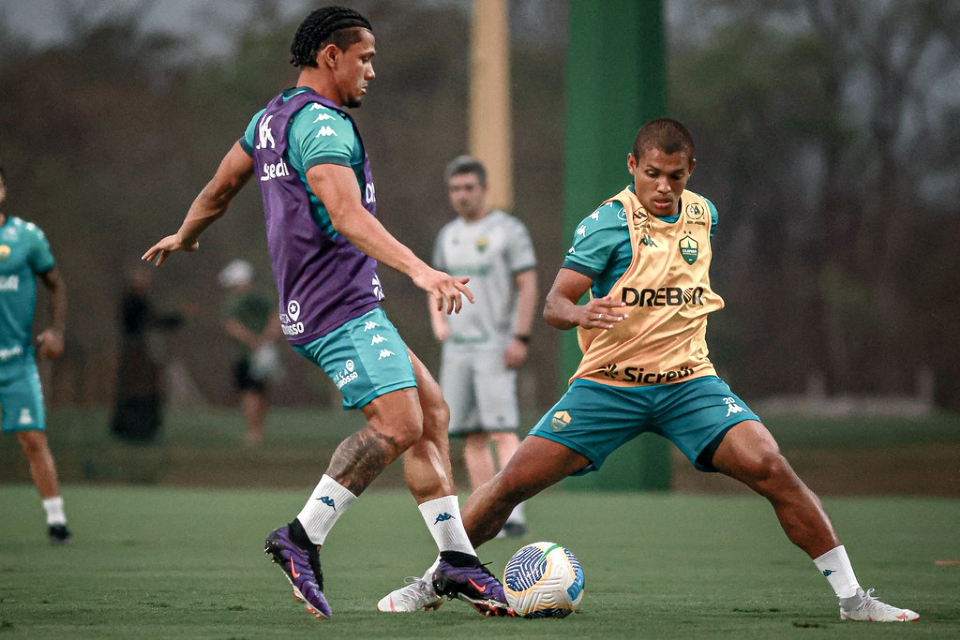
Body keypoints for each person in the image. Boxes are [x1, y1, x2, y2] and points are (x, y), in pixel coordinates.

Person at [379, 119, 920, 623]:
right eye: (653, 173)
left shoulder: (704, 214)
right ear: (633, 166)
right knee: (510, 483)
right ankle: (432, 581)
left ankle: (853, 600)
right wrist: (581, 311)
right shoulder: (607, 225)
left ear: (690, 172)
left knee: (772, 467)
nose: (664, 186)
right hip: (609, 387)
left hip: (690, 385)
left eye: (675, 176)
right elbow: (553, 304)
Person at [143, 6, 512, 620]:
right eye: (364, 57)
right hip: (336, 306)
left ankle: (457, 562)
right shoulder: (321, 126)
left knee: (431, 413)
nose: (371, 70)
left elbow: (220, 187)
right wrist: (421, 270)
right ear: (330, 56)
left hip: (335, 302)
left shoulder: (270, 117)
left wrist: (187, 232)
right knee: (399, 424)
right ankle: (302, 537)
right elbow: (345, 215)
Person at [431, 155, 537, 538]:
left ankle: (516, 514)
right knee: (470, 436)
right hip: (457, 349)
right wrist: (438, 321)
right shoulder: (447, 235)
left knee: (503, 431)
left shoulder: (508, 230)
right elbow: (436, 284)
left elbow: (527, 284)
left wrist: (520, 337)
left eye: (468, 188)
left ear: (484, 188)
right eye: (455, 189)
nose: (461, 195)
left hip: (496, 344)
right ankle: (485, 514)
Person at [0, 166, 72, 545]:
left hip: (15, 360)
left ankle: (57, 521)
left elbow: (55, 284)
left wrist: (56, 330)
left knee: (33, 438)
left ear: (3, 189)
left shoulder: (26, 237)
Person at [110, 267, 187, 443]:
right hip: (136, 351)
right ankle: (135, 429)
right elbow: (150, 321)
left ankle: (142, 429)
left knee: (143, 387)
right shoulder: (132, 299)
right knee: (138, 388)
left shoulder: (139, 299)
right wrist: (176, 318)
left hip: (139, 350)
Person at [218, 259, 283, 446]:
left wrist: (252, 341)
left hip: (246, 354)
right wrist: (267, 340)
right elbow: (275, 318)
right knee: (261, 392)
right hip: (266, 354)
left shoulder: (235, 301)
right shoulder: (262, 296)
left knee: (249, 392)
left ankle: (253, 431)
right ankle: (258, 430)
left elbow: (231, 325)